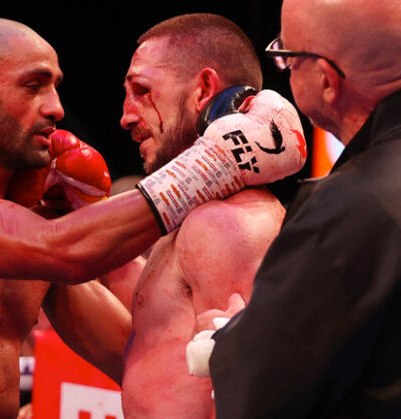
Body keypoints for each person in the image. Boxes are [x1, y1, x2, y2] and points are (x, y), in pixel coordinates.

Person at [0, 16, 305, 419]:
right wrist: (216, 163)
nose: (56, 108)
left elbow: (142, 360)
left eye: (55, 86)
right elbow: (64, 249)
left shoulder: (34, 235)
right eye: (33, 85)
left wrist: (88, 219)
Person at [209, 0, 401, 417]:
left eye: (287, 58)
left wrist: (238, 335)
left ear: (328, 81)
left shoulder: (349, 208)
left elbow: (260, 393)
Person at [114, 14, 299, 418]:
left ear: (204, 89)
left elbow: (260, 395)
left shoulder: (223, 223)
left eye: (142, 91)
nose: (126, 116)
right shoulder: (190, 223)